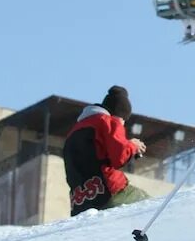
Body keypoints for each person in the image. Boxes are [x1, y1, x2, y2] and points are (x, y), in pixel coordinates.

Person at [63, 86, 149, 216]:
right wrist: (132, 146)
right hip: (111, 192)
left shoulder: (73, 132)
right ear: (119, 114)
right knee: (152, 205)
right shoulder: (109, 121)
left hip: (81, 201)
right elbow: (119, 157)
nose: (123, 125)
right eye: (123, 120)